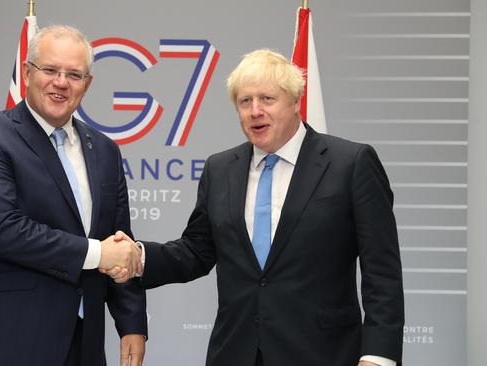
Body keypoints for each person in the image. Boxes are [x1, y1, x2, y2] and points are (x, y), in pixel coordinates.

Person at [108, 49, 404, 365]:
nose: (255, 111)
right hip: (236, 352)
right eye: (245, 101)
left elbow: (382, 273)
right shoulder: (220, 169)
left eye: (267, 99)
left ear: (296, 102)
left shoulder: (350, 164)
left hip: (323, 353)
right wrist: (138, 258)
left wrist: (378, 356)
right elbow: (196, 251)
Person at [0, 25, 146, 366]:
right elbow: (1, 230)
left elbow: (120, 241)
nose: (61, 82)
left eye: (74, 74)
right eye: (50, 70)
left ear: (88, 83)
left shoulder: (106, 151)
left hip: (84, 342)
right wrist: (97, 253)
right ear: (27, 72)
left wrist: (131, 325)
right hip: (6, 339)